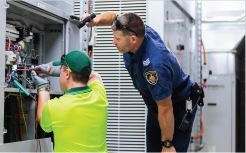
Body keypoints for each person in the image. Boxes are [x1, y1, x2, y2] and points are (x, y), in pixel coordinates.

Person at [85, 12, 198, 152]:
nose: (113, 42)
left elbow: (166, 107)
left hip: (176, 105)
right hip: (156, 104)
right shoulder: (137, 29)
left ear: (133, 39)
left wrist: (167, 144)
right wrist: (95, 20)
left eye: (117, 39)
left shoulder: (155, 66)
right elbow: (115, 16)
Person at [31, 50, 108, 152]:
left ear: (67, 73)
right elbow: (95, 75)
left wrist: (42, 87)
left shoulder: (57, 107)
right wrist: (54, 69)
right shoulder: (99, 96)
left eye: (61, 70)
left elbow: (41, 118)